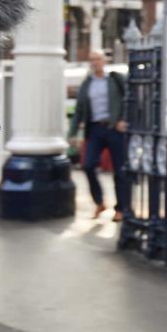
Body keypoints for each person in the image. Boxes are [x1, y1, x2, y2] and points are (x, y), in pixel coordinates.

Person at [68, 50, 129, 221]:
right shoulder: (87, 84)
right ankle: (99, 202)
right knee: (88, 165)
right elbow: (79, 110)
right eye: (92, 60)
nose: (95, 62)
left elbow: (127, 100)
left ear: (104, 61)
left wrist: (122, 120)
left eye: (98, 59)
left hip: (113, 128)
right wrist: (72, 134)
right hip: (94, 129)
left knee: (120, 170)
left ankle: (121, 208)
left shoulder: (115, 80)